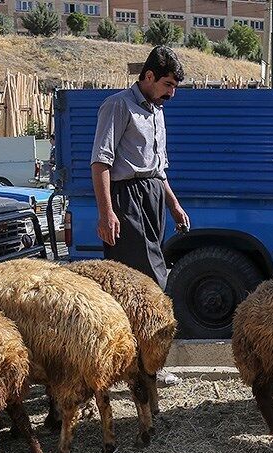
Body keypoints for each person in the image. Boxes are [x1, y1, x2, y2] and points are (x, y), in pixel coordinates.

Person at [90, 45, 190, 386]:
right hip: (125, 199)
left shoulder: (157, 111)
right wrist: (107, 213)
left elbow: (158, 170)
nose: (171, 93)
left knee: (146, 279)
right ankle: (148, 367)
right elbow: (101, 162)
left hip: (151, 197)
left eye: (174, 86)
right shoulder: (118, 106)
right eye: (167, 85)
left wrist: (173, 204)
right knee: (145, 282)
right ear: (148, 76)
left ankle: (138, 365)